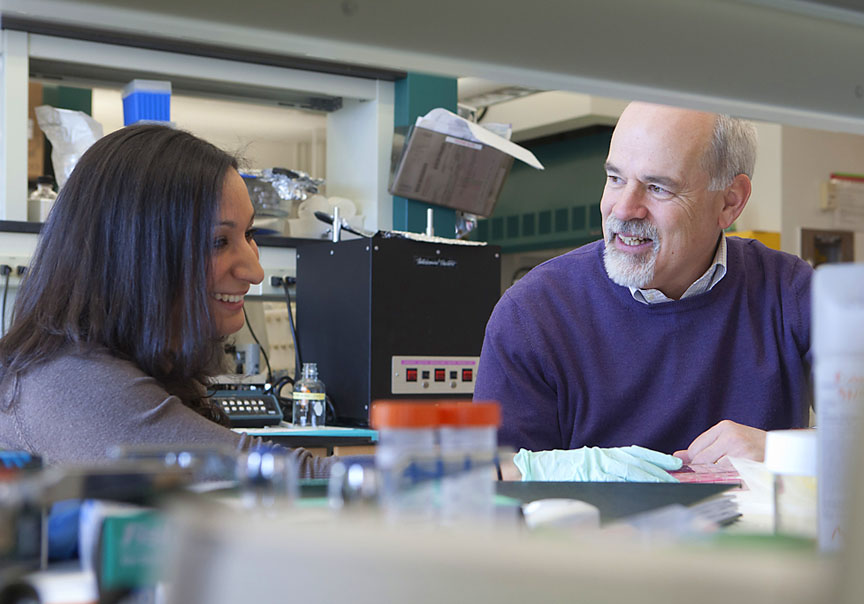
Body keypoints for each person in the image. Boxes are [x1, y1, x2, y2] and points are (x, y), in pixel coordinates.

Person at [474, 101, 812, 468]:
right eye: (615, 179)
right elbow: (495, 488)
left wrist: (786, 451)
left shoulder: (791, 294)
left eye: (657, 187)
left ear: (730, 202)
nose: (622, 209)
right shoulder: (533, 314)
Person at [0, 124, 333, 477]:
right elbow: (283, 479)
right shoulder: (73, 383)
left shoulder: (102, 361)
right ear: (134, 255)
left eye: (248, 234)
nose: (255, 271)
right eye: (218, 242)